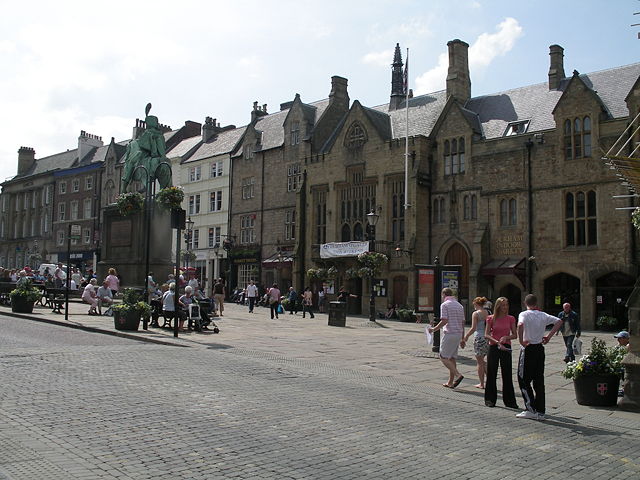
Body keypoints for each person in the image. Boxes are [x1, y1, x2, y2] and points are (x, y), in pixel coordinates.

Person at [516, 294, 563, 420]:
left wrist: (521, 341)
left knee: (523, 378)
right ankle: (541, 410)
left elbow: (520, 325)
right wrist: (548, 336)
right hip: (539, 348)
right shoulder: (543, 315)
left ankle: (530, 408)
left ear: (525, 303)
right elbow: (559, 321)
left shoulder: (524, 314)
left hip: (528, 348)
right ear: (536, 303)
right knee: (538, 380)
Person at [483, 297, 519, 408]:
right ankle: (490, 399)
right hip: (494, 347)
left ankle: (510, 401)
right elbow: (487, 334)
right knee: (491, 372)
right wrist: (497, 342)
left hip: (506, 347)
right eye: (503, 305)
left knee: (507, 373)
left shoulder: (511, 318)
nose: (505, 307)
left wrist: (506, 337)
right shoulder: (491, 318)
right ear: (498, 306)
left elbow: (515, 335)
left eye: (506, 305)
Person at [428, 288, 465, 389]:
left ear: (443, 294)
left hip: (449, 333)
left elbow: (444, 321)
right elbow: (462, 322)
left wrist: (433, 329)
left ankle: (458, 375)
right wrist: (463, 338)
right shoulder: (459, 305)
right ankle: (450, 382)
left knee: (443, 356)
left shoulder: (444, 305)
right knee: (452, 358)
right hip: (458, 333)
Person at [462, 297, 490, 389]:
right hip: (487, 337)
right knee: (483, 361)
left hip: (479, 337)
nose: (473, 306)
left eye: (474, 304)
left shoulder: (476, 313)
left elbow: (473, 328)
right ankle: (490, 380)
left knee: (479, 362)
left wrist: (466, 336)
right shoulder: (488, 312)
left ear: (476, 304)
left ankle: (481, 383)